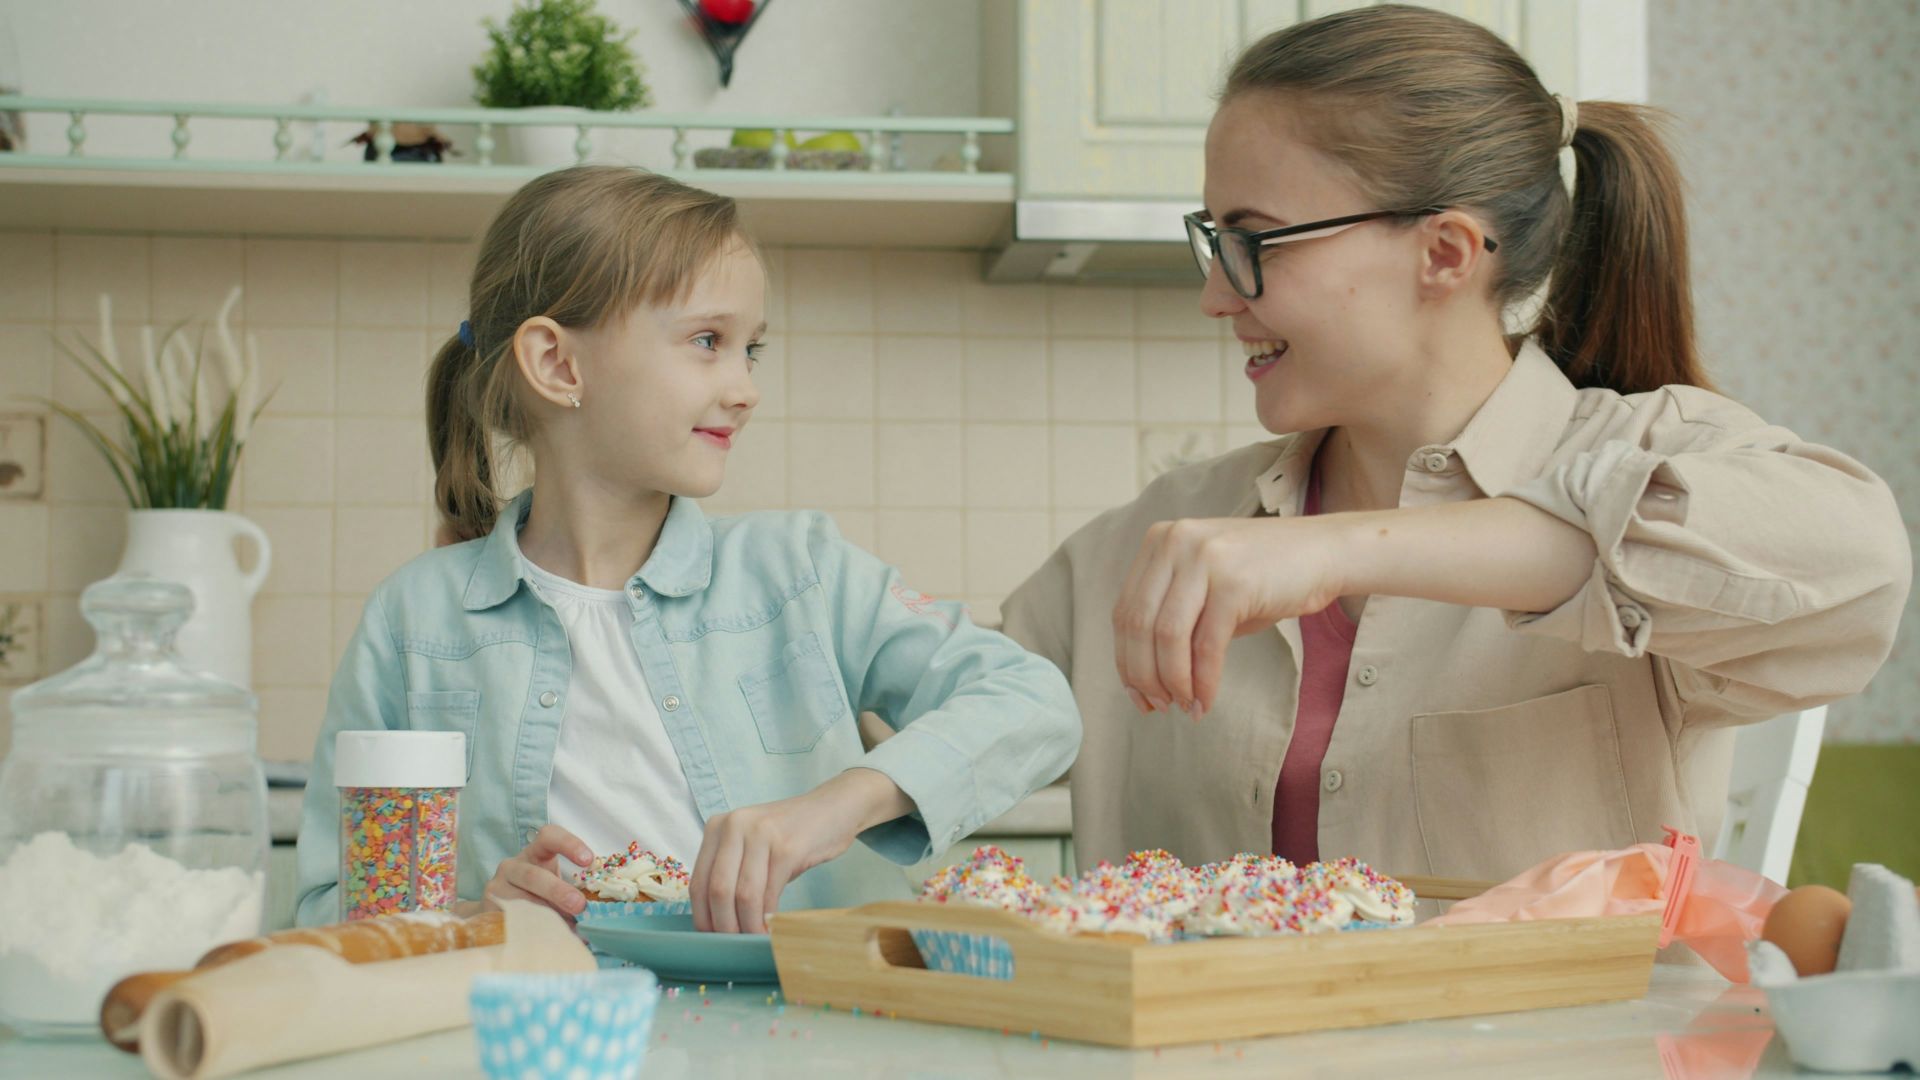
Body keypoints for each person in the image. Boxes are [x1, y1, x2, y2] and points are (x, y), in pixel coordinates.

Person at [1000, 5, 1908, 886]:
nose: (1217, 296)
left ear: (1444, 252)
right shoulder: (1166, 534)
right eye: (1216, 240)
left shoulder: (1657, 449)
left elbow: (1861, 566)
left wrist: (1336, 549)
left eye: (1255, 241)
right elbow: (952, 704)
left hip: (1559, 1048)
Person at [294, 166, 1081, 932]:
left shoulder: (799, 572)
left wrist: (834, 807)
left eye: (751, 350)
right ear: (557, 364)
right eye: (707, 340)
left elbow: (1033, 702)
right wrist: (474, 919)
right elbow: (332, 914)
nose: (745, 388)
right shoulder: (414, 620)